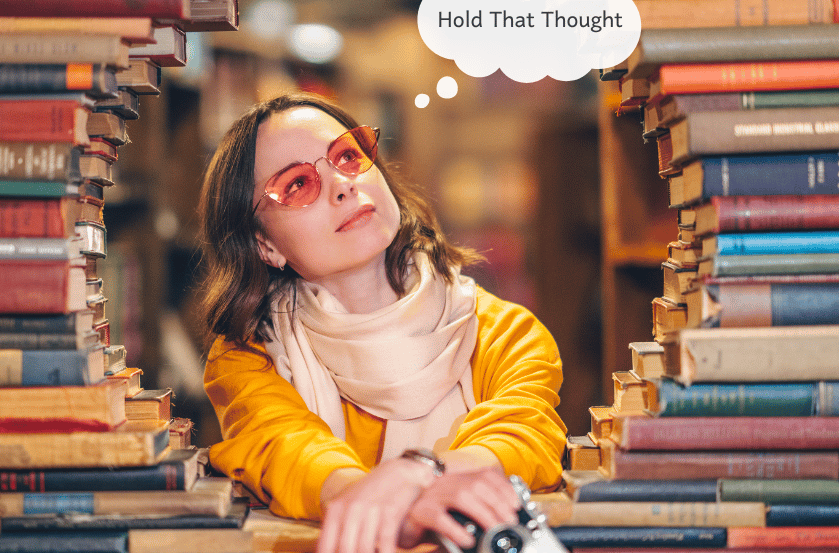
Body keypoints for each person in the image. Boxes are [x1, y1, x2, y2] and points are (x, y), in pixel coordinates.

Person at [197, 92, 567, 553]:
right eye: (296, 184)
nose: (342, 186)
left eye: (347, 156)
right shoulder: (248, 359)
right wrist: (380, 497)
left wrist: (417, 474)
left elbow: (523, 434)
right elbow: (288, 450)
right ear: (265, 246)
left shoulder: (505, 332)